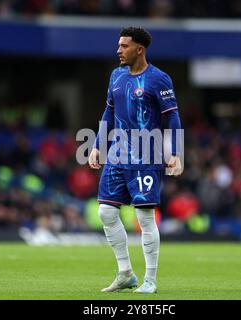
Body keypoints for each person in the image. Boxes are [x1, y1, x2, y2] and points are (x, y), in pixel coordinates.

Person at [88, 27, 183, 293]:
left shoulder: (158, 79)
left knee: (145, 217)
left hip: (146, 155)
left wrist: (175, 152)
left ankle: (150, 279)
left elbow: (172, 117)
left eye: (124, 46)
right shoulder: (116, 76)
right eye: (119, 45)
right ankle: (125, 273)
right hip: (117, 154)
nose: (119, 50)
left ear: (139, 49)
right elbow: (108, 113)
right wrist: (98, 145)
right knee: (106, 212)